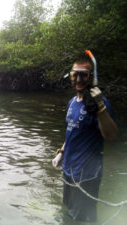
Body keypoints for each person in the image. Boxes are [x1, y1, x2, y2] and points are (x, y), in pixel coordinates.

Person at [52, 58, 118, 222]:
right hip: (69, 170)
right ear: (70, 76)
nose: (79, 80)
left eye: (84, 75)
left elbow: (111, 136)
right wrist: (61, 152)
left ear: (91, 78)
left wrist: (100, 107)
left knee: (82, 220)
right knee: (69, 212)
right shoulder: (72, 102)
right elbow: (72, 133)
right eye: (75, 75)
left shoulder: (100, 104)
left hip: (87, 175)